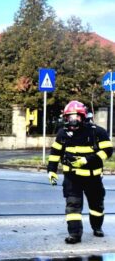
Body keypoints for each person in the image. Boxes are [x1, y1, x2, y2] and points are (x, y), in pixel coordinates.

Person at [47, 100, 113, 244]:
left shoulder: (97, 131)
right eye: (69, 116)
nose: (72, 119)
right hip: (72, 178)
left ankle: (97, 227)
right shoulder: (62, 133)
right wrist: (51, 171)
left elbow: (108, 151)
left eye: (76, 116)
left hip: (93, 178)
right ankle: (74, 235)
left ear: (83, 117)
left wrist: (86, 160)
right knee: (72, 206)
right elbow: (55, 153)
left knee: (96, 206)